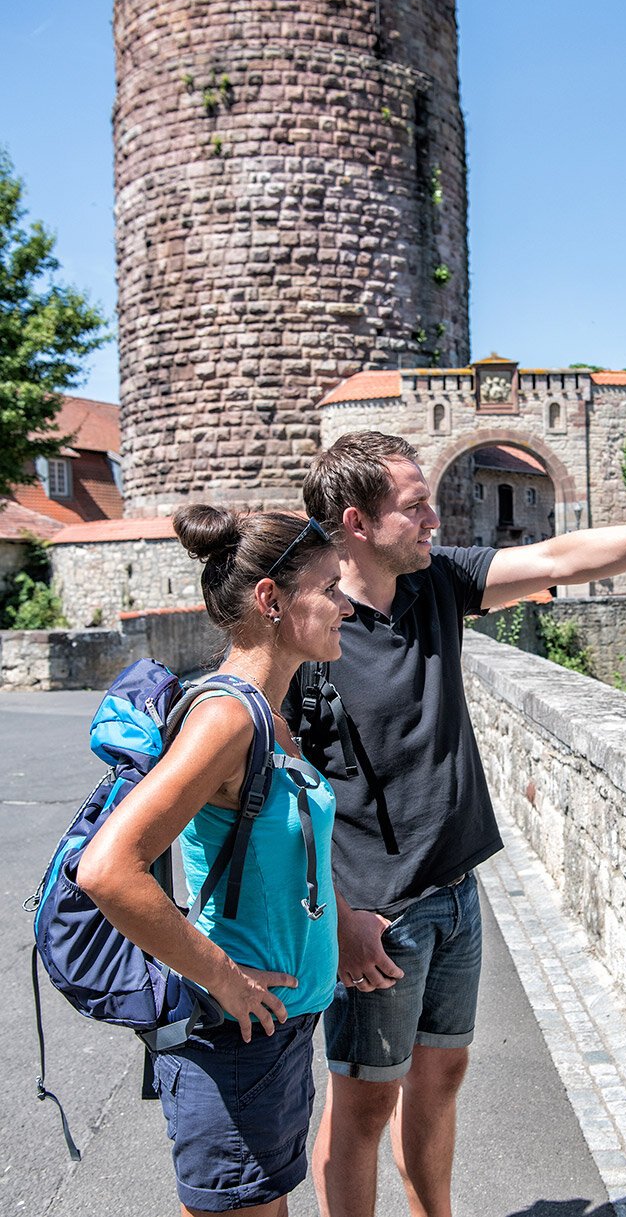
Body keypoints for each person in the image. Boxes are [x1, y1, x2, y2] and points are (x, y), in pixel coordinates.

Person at [285, 432, 626, 1217]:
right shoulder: (310, 630)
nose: (432, 521)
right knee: (362, 1106)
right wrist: (339, 917)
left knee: (442, 1077)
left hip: (455, 894)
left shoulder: (435, 583)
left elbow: (563, 558)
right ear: (357, 520)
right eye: (414, 507)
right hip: (373, 916)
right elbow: (278, 797)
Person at [78, 505, 352, 1217]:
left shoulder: (272, 713)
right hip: (234, 1040)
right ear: (271, 600)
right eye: (330, 587)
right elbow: (109, 869)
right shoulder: (227, 718)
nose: (346, 605)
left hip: (281, 1031)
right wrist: (224, 979)